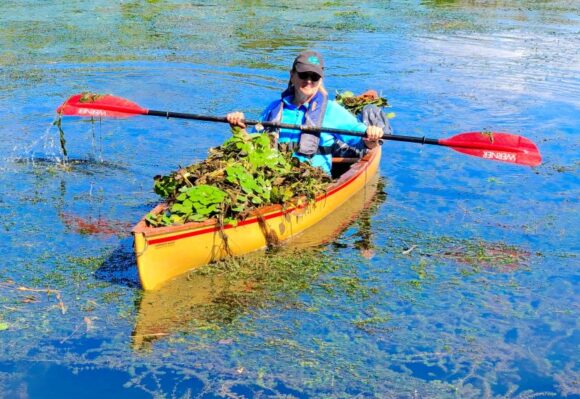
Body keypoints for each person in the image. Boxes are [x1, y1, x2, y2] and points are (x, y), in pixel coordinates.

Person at [226, 50, 385, 175]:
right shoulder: (274, 108)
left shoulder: (331, 110)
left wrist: (372, 136)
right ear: (292, 75)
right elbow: (253, 145)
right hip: (273, 176)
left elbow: (362, 141)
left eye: (314, 77)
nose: (308, 81)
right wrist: (239, 129)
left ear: (320, 81)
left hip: (313, 180)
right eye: (303, 75)